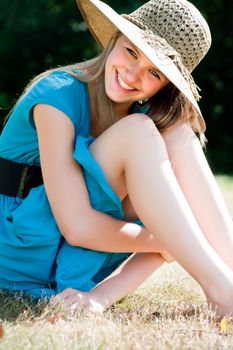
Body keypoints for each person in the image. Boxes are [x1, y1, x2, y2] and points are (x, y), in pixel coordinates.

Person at [0, 0, 233, 317]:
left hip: (76, 256)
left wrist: (101, 296)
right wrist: (170, 241)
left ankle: (228, 279)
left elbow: (171, 224)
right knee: (140, 133)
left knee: (177, 132)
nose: (133, 75)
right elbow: (78, 226)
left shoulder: (144, 120)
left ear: (164, 85)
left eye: (154, 72)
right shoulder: (55, 94)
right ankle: (222, 288)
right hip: (20, 245)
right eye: (132, 52)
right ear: (114, 40)